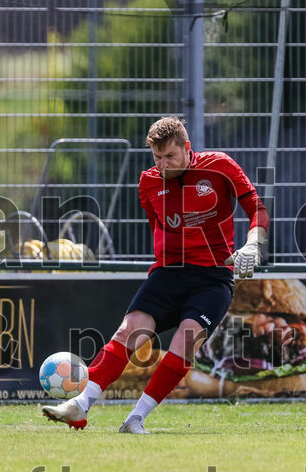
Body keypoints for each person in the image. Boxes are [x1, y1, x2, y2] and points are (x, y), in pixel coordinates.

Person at [42, 116, 268, 433]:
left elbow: (257, 207)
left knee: (185, 340)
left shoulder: (220, 166)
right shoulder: (148, 183)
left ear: (187, 149)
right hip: (168, 275)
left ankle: (135, 418)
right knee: (129, 331)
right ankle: (78, 406)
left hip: (212, 278)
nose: (163, 165)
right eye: (157, 158)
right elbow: (161, 231)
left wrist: (253, 245)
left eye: (170, 156)